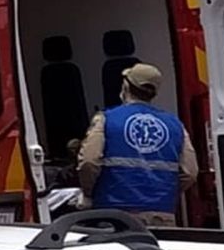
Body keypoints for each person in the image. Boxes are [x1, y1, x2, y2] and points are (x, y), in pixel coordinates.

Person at [78, 63, 198, 226]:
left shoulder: (106, 119)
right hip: (161, 213)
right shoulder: (175, 125)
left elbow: (89, 162)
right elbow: (190, 172)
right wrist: (164, 192)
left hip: (114, 213)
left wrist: (88, 193)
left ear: (126, 86)